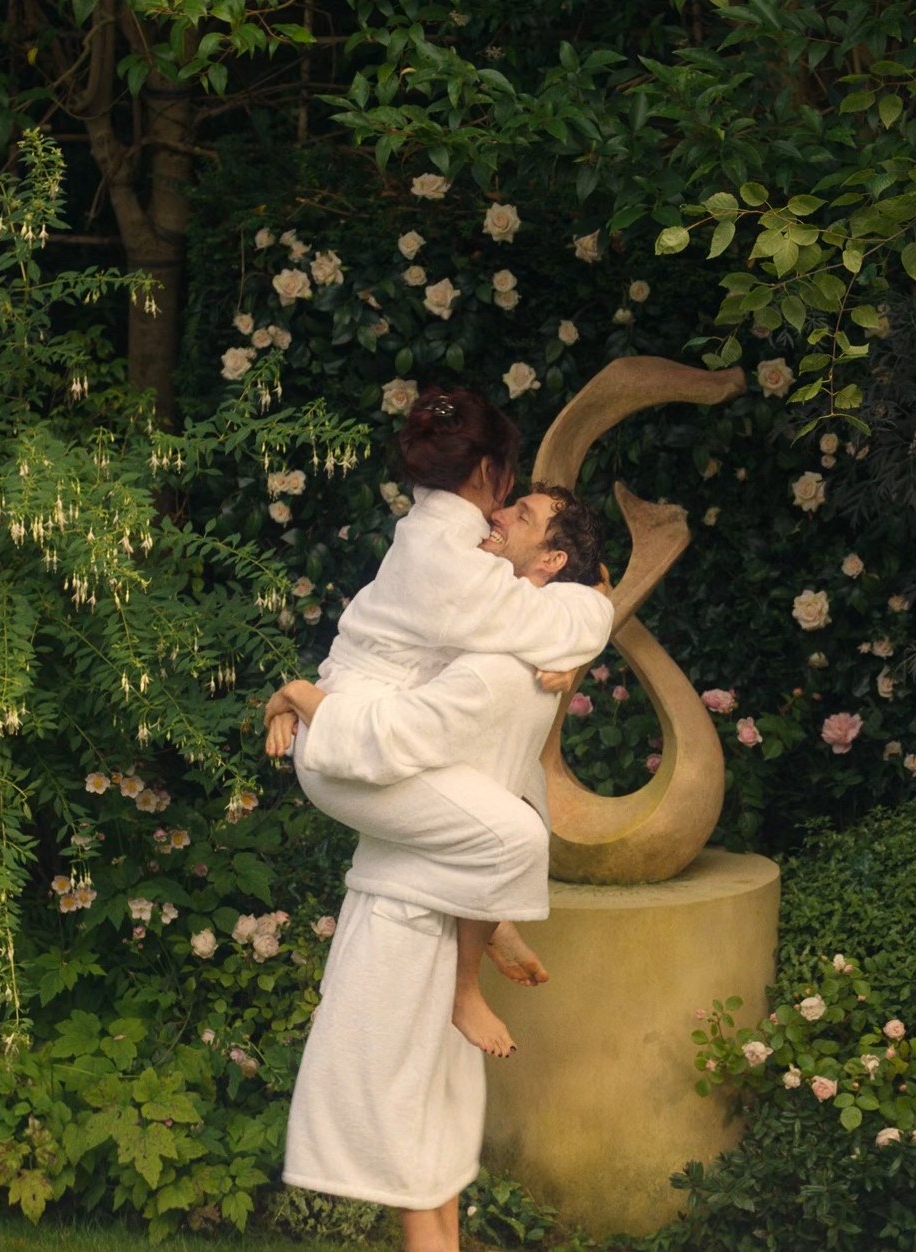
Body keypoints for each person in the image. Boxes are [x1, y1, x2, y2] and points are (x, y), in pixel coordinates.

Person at [270, 384, 610, 1250]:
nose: (506, 511)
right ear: (489, 472)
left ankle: (484, 921)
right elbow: (561, 613)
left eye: (522, 516)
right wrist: (307, 700)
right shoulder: (456, 573)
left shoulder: (466, 558)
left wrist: (573, 637)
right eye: (511, 493)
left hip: (377, 752)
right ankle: (474, 958)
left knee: (499, 837)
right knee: (513, 837)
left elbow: (574, 605)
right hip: (350, 739)